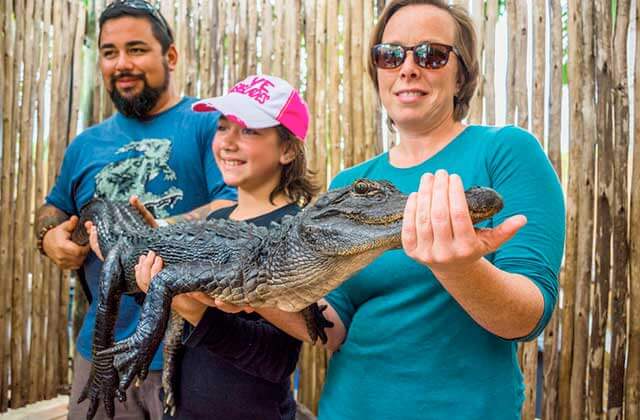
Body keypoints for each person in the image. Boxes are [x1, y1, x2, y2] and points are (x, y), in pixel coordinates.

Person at [246, 1, 565, 419]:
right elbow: (332, 327)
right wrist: (252, 288)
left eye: (431, 54)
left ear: (461, 74)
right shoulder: (352, 184)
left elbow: (528, 316)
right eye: (390, 54)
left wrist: (459, 267)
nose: (407, 68)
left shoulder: (506, 151)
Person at [34, 1, 235, 418]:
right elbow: (54, 208)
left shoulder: (209, 124)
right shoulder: (86, 144)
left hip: (189, 349)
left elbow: (233, 207)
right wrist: (49, 236)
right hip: (101, 352)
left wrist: (160, 229)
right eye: (110, 52)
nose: (122, 63)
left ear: (171, 56)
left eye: (137, 49)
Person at [126, 74, 318, 420]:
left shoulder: (296, 232)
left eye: (249, 131)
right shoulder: (218, 220)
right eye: (222, 127)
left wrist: (195, 310)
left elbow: (277, 361)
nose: (228, 142)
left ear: (288, 149)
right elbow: (178, 318)